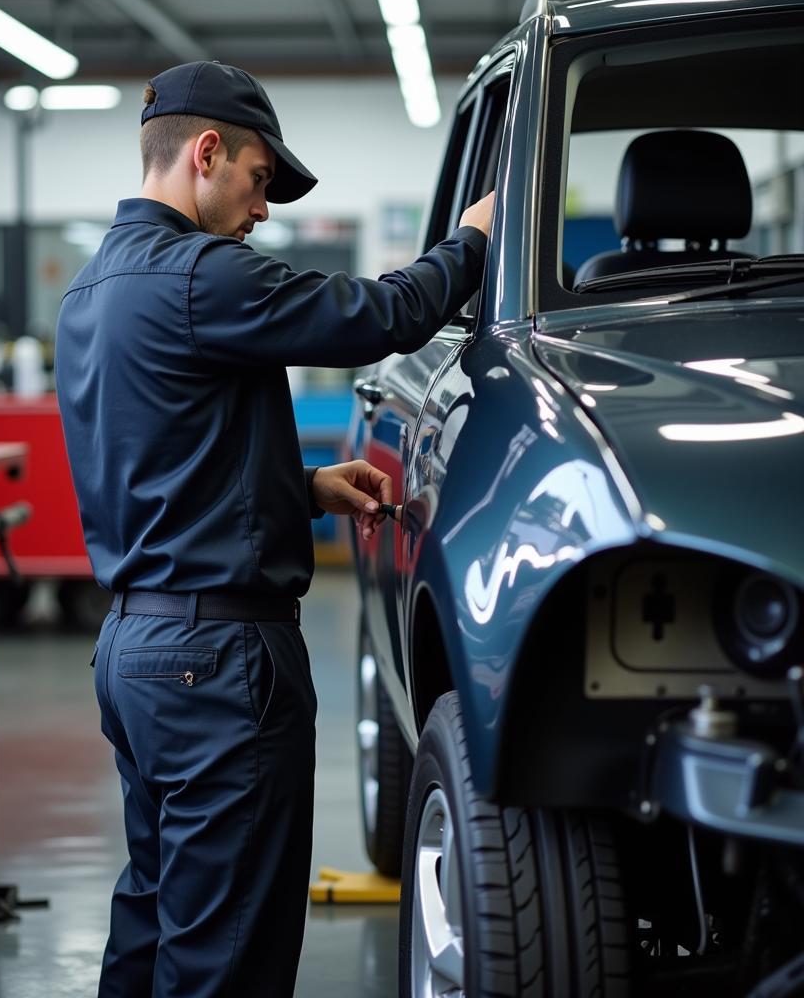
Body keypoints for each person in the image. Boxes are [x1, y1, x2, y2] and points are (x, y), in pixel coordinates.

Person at [55, 59, 493, 998]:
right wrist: (473, 242)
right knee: (228, 963)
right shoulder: (199, 277)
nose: (262, 211)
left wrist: (299, 486)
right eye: (260, 182)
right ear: (206, 153)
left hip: (135, 653)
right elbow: (382, 315)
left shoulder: (90, 289)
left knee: (155, 923)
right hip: (217, 667)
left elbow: (161, 465)